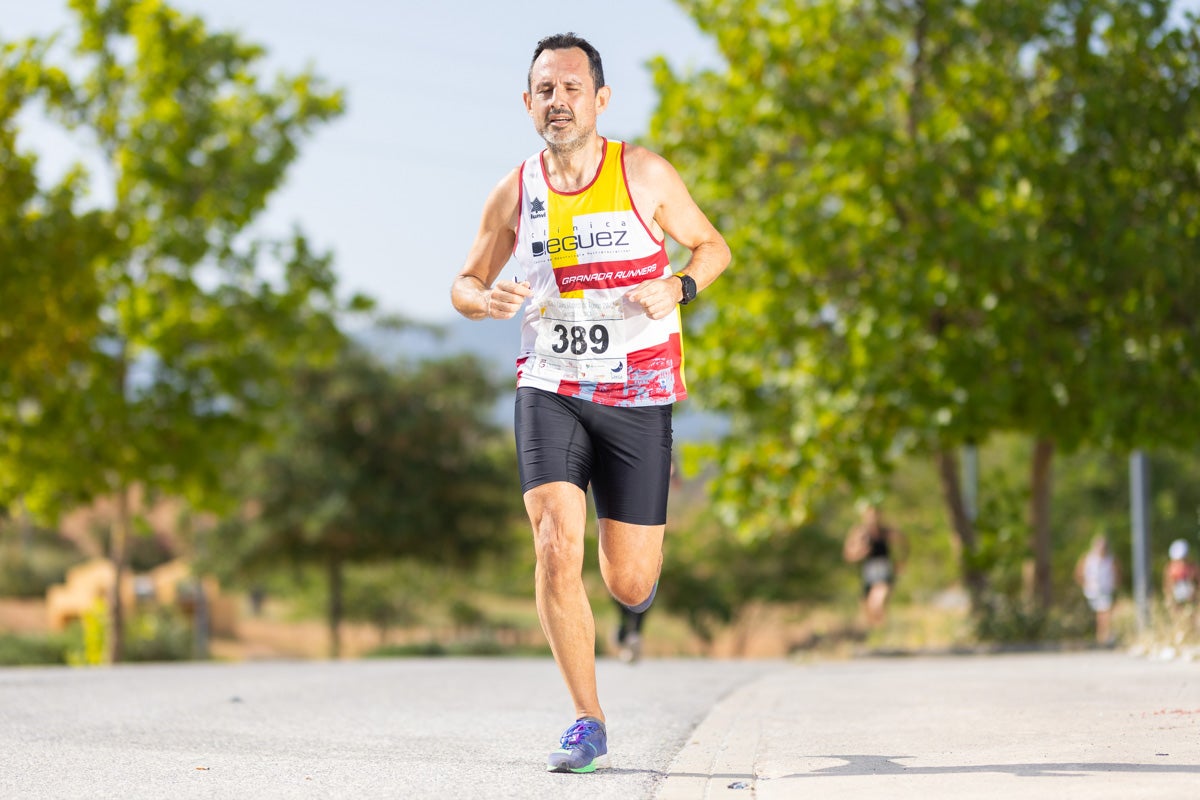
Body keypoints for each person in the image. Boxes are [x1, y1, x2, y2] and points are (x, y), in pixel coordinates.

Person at [450, 32, 730, 774]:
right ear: (528, 102)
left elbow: (712, 247)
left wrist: (678, 286)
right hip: (550, 387)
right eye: (546, 89)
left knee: (629, 581)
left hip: (637, 393)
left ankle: (635, 574)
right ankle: (588, 720)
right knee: (550, 538)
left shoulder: (643, 174)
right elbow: (464, 282)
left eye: (573, 88)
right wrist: (483, 301)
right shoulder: (515, 190)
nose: (559, 101)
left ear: (600, 99)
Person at [842, 504, 906, 628]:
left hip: (884, 568)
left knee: (880, 598)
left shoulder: (886, 531)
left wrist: (901, 561)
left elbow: (903, 542)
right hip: (869, 570)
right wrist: (859, 553)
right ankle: (876, 630)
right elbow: (848, 554)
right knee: (868, 605)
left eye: (875, 514)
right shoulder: (860, 532)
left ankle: (882, 629)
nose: (873, 518)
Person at [1075, 535, 1121, 645]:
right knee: (1101, 613)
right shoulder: (1088, 558)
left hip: (1106, 590)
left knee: (1105, 612)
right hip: (1092, 591)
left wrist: (1115, 584)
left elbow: (1117, 573)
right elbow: (1079, 572)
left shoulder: (1111, 559)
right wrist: (1084, 584)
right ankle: (1101, 636)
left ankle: (1103, 635)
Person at [1162, 539, 1198, 635]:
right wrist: (1169, 599)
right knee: (1178, 615)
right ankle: (1182, 632)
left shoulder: (1193, 567)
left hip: (1191, 597)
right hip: (1177, 597)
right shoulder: (1170, 568)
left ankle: (1191, 633)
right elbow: (1168, 585)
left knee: (1191, 615)